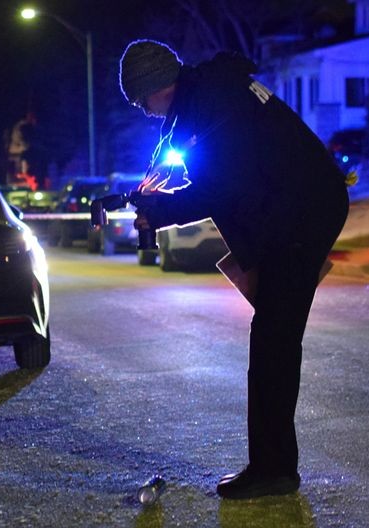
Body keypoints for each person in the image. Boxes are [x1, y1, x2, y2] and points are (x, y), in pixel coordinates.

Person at [118, 39, 349, 499]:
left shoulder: (213, 103)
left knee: (273, 344)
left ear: (159, 84)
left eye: (142, 100)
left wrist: (161, 212)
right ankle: (273, 465)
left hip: (302, 214)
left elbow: (219, 188)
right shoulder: (206, 98)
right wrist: (158, 201)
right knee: (272, 341)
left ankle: (273, 470)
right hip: (295, 210)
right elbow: (225, 180)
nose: (145, 111)